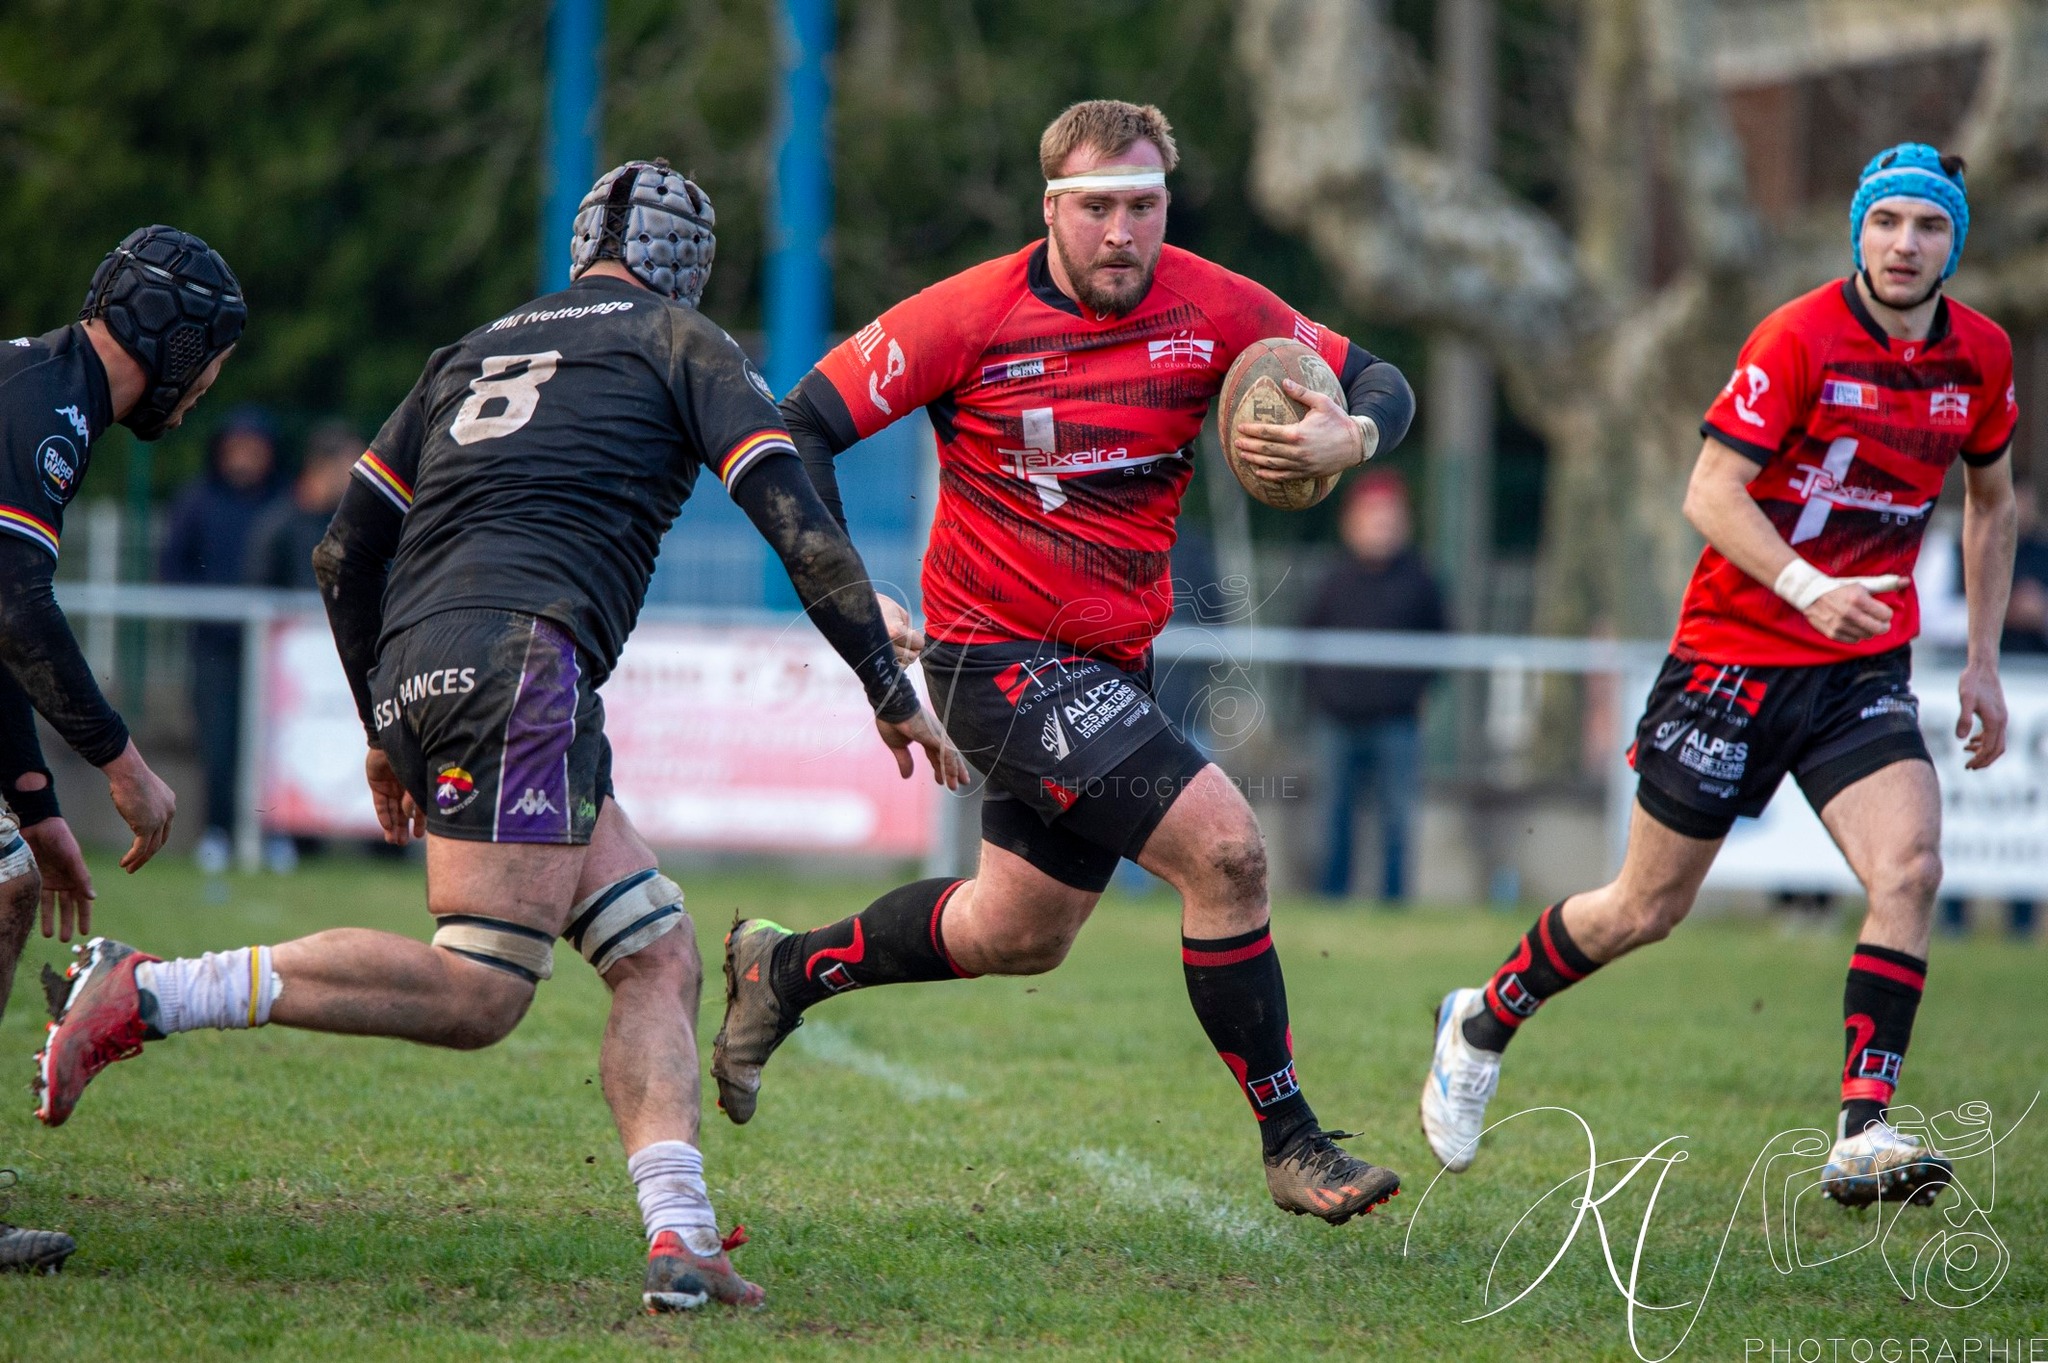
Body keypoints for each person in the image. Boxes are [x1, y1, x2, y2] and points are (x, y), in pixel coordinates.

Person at [34, 161, 964, 1311]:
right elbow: (800, 529)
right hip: (525, 665)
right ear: (692, 262)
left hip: (447, 660)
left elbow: (341, 554)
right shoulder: (680, 340)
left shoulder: (468, 351)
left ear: (579, 248)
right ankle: (153, 989)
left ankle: (680, 1239)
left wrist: (382, 719)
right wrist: (885, 684)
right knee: (482, 989)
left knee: (656, 950)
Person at [713, 100, 1417, 1225]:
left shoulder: (1213, 301)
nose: (1120, 232)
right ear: (1051, 208)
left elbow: (1379, 376)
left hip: (1108, 667)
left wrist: (1353, 433)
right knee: (1227, 851)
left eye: (1142, 206)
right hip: (990, 659)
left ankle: (784, 968)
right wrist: (849, 586)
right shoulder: (968, 313)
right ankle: (1293, 1142)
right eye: (1094, 207)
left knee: (1016, 933)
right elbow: (795, 424)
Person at [1420, 144, 2018, 1209]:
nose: (1902, 244)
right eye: (1885, 223)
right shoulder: (1795, 335)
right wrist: (1800, 584)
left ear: (1951, 244)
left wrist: (1979, 659)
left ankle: (1860, 1131)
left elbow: (1991, 500)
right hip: (1731, 657)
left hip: (1857, 664)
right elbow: (1707, 490)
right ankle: (1480, 1017)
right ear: (1857, 232)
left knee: (1912, 870)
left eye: (1927, 227)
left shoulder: (1977, 354)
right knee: (1643, 907)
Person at [0, 224, 243, 1268]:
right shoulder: (44, 410)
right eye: (209, 367)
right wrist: (121, 762)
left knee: (10, 883)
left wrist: (38, 808)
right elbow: (13, 604)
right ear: (176, 345)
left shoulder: (44, 389)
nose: (202, 396)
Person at [1301, 469, 1445, 901]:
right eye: (1372, 516)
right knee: (1332, 818)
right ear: (1352, 522)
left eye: (1389, 516)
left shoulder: (1422, 582)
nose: (1381, 525)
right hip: (1336, 721)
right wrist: (1323, 697)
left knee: (1397, 819)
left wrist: (1416, 694)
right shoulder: (1332, 580)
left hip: (1396, 723)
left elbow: (1443, 645)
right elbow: (1305, 644)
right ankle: (1331, 898)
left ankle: (1393, 902)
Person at [160, 404, 284, 872]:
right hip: (214, 646)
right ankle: (217, 832)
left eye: (255, 449)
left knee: (272, 743)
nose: (246, 458)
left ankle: (272, 834)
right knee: (218, 742)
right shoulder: (198, 502)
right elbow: (172, 569)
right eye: (238, 448)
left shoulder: (281, 502)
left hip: (273, 649)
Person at [244, 422, 368, 869]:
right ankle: (287, 840)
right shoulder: (278, 525)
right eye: (350, 465)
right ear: (322, 466)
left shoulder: (360, 526)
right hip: (293, 678)